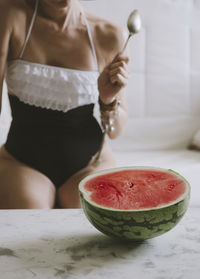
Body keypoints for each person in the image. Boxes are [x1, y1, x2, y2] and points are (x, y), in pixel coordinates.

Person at [0, 0, 130, 209]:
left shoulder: (109, 34)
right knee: (29, 214)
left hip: (90, 163)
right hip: (20, 161)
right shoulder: (9, 14)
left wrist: (108, 100)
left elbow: (116, 130)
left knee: (84, 216)